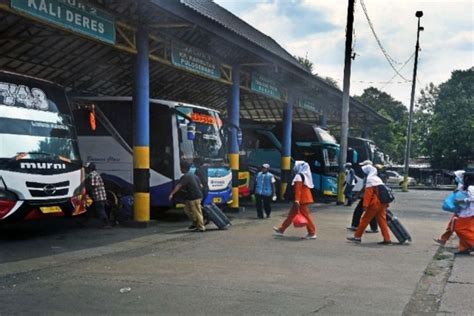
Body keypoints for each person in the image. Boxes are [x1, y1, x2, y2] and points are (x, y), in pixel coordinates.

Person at [347, 164, 391, 244]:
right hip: (383, 203)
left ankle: (357, 237)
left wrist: (365, 206)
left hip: (375, 204)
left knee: (365, 220)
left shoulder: (370, 180)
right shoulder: (378, 179)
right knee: (382, 221)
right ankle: (387, 239)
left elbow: (368, 194)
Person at [273, 161, 317, 240]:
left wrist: (297, 200)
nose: (294, 167)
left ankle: (312, 233)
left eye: (296, 166)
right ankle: (281, 229)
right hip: (304, 198)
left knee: (305, 216)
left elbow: (298, 190)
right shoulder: (305, 175)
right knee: (291, 215)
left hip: (300, 200)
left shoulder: (298, 176)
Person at [169, 161, 206, 232]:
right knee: (187, 210)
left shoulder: (186, 176)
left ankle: (201, 227)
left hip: (194, 197)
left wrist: (172, 194)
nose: (180, 170)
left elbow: (179, 186)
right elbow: (201, 186)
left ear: (183, 168)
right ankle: (195, 223)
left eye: (181, 168)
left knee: (196, 212)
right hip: (193, 196)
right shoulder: (194, 176)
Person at [434, 170, 465, 246]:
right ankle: (444, 239)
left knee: (459, 227)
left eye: (456, 177)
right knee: (452, 225)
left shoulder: (466, 186)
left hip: (464, 211)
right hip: (459, 210)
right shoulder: (461, 185)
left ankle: (467, 244)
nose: (454, 178)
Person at [347, 160, 378, 233]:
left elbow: (365, 188)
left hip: (368, 198)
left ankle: (356, 226)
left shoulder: (369, 177)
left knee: (360, 211)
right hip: (368, 197)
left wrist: (357, 195)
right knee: (369, 213)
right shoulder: (370, 176)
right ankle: (373, 228)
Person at [84, 162, 111, 229]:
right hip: (99, 196)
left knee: (100, 210)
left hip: (99, 196)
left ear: (90, 168)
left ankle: (106, 224)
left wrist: (84, 189)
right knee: (92, 208)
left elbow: (93, 185)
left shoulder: (93, 175)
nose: (85, 170)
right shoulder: (94, 174)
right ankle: (87, 221)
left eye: (87, 168)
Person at [452, 172, 474, 255]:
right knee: (467, 229)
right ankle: (464, 248)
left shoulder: (471, 187)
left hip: (468, 212)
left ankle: (471, 244)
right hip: (466, 211)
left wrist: (462, 200)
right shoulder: (467, 187)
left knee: (459, 229)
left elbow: (473, 198)